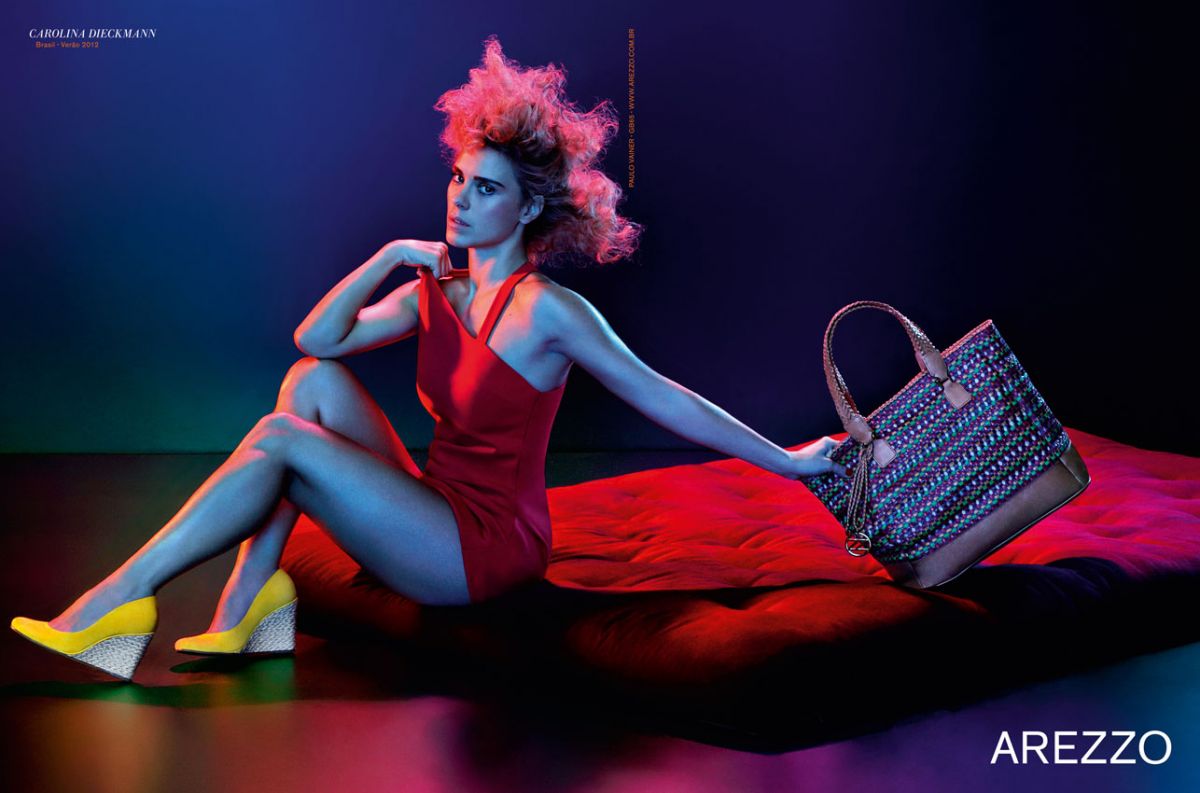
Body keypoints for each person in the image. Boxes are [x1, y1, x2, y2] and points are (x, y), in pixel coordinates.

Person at [10, 36, 848, 680]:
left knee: (281, 439)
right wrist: (387, 257)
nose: (461, 199)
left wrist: (787, 461)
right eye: (458, 178)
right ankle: (248, 604)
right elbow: (317, 340)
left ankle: (123, 599)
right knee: (309, 385)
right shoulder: (433, 292)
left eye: (486, 189)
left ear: (528, 210)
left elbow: (660, 395)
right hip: (433, 505)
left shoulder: (548, 311)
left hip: (486, 549)